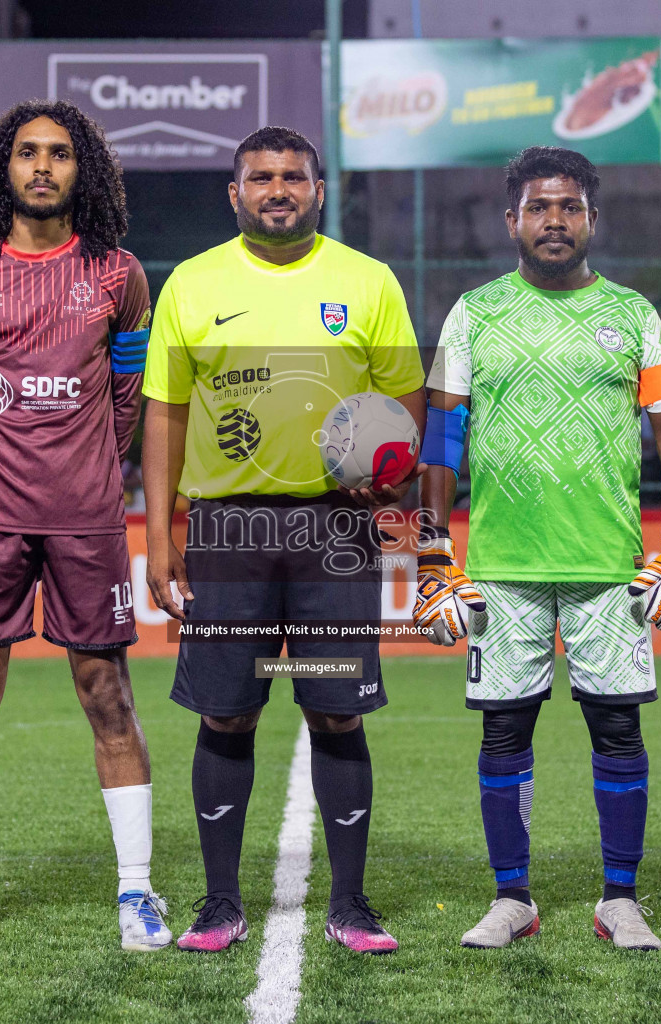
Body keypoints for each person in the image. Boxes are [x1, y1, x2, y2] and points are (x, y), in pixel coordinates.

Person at [143, 126, 425, 954]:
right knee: (227, 714)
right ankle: (219, 902)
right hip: (229, 530)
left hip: (334, 533)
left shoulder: (366, 281)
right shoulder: (192, 284)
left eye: (293, 177)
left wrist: (390, 476)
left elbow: (407, 403)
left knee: (336, 713)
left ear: (318, 191)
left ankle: (351, 903)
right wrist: (162, 535)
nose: (278, 190)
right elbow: (163, 414)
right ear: (234, 195)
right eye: (260, 178)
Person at [0, 100, 170, 955]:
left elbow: (128, 392)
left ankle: (137, 894)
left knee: (108, 695)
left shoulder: (119, 275)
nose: (42, 167)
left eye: (59, 153)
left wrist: (87, 462)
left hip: (87, 517)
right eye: (26, 153)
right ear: (3, 169)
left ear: (81, 168)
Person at [414, 147, 661, 952]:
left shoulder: (635, 313)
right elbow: (442, 431)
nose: (554, 220)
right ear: (512, 220)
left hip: (609, 565)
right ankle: (514, 900)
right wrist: (433, 550)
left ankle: (620, 899)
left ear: (591, 220)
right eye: (539, 207)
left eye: (569, 207)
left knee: (617, 729)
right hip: (502, 566)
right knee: (504, 731)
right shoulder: (473, 314)